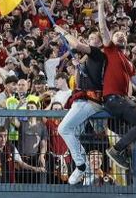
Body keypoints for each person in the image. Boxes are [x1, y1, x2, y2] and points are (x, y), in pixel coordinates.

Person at [95, 0, 136, 170]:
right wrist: (100, 4)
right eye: (116, 34)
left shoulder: (129, 62)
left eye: (123, 34)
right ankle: (116, 150)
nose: (120, 35)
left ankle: (124, 152)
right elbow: (103, 28)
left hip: (121, 101)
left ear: (127, 41)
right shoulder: (111, 50)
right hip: (114, 99)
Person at [53, 23, 106, 185]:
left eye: (94, 39)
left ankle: (81, 165)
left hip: (90, 100)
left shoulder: (98, 54)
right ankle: (84, 167)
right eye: (89, 38)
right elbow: (77, 83)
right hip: (80, 98)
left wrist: (63, 31)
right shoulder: (87, 59)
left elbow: (75, 44)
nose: (91, 41)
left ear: (100, 42)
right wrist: (76, 67)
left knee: (63, 128)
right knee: (70, 132)